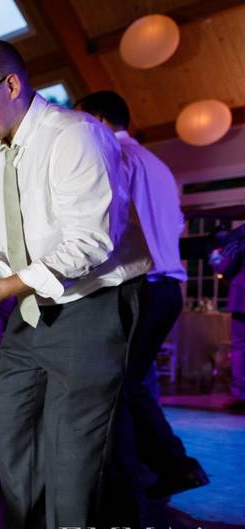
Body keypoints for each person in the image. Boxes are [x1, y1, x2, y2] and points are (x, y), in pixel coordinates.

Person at [0, 40, 150, 529]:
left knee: (72, 439)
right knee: (9, 421)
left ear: (10, 86)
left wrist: (6, 286)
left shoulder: (76, 135)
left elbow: (92, 241)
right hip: (34, 307)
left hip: (98, 301)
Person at [76, 91, 209, 503]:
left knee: (118, 384)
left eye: (81, 122)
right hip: (169, 287)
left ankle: (163, 467)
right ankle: (160, 467)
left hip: (142, 285)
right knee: (133, 381)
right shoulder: (157, 164)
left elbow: (110, 229)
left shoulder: (114, 157)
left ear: (98, 118)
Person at [211, 224, 245, 413]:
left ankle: (241, 396)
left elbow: (224, 265)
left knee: (241, 348)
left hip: (243, 298)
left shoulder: (241, 236)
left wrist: (215, 255)